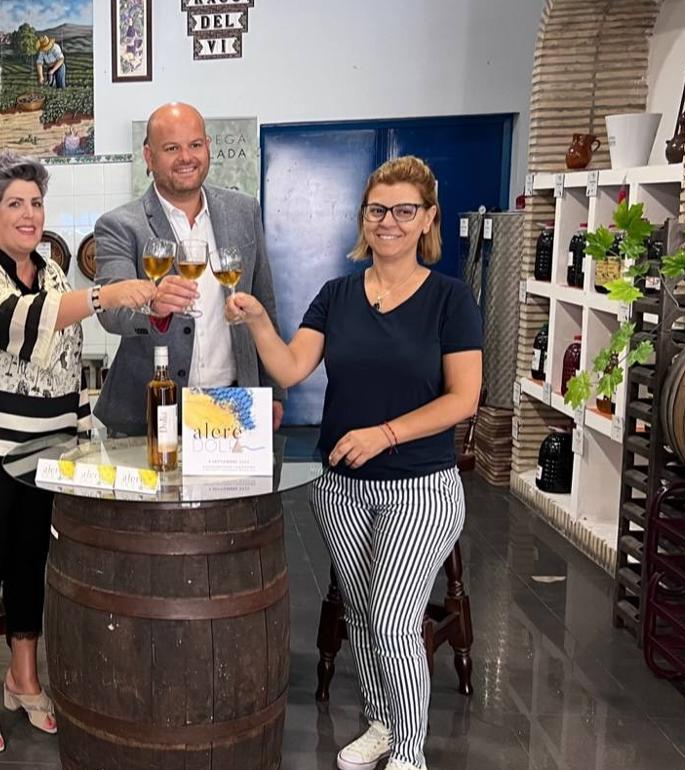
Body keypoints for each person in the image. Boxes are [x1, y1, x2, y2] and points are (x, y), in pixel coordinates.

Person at [226, 155, 482, 770]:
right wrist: (260, 320)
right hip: (340, 487)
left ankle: (411, 753)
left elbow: (464, 398)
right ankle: (381, 723)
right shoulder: (337, 295)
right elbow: (290, 368)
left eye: (403, 211)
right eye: (377, 210)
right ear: (363, 219)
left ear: (427, 220)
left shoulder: (450, 298)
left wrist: (386, 433)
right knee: (365, 616)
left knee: (396, 620)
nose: (388, 222)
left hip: (422, 486)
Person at [0, 151, 156, 754]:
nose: (29, 215)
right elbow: (17, 324)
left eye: (35, 203)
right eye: (14, 204)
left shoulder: (54, 270)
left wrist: (84, 434)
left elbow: (66, 359)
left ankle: (23, 676)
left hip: (44, 444)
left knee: (32, 560)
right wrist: (106, 294)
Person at [93, 102, 284, 435]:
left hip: (232, 405)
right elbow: (111, 313)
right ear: (149, 157)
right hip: (147, 411)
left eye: (195, 145)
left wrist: (274, 389)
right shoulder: (119, 225)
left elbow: (264, 302)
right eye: (171, 148)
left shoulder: (243, 211)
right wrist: (152, 306)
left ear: (208, 147)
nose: (186, 157)